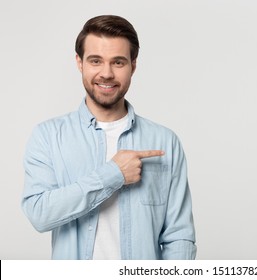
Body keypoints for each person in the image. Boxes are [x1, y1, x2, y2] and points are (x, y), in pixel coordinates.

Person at [22, 15, 196, 260]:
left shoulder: (165, 142)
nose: (106, 73)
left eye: (118, 62)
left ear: (133, 66)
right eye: (95, 61)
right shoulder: (48, 136)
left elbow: (179, 236)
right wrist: (113, 174)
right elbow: (39, 214)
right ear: (79, 62)